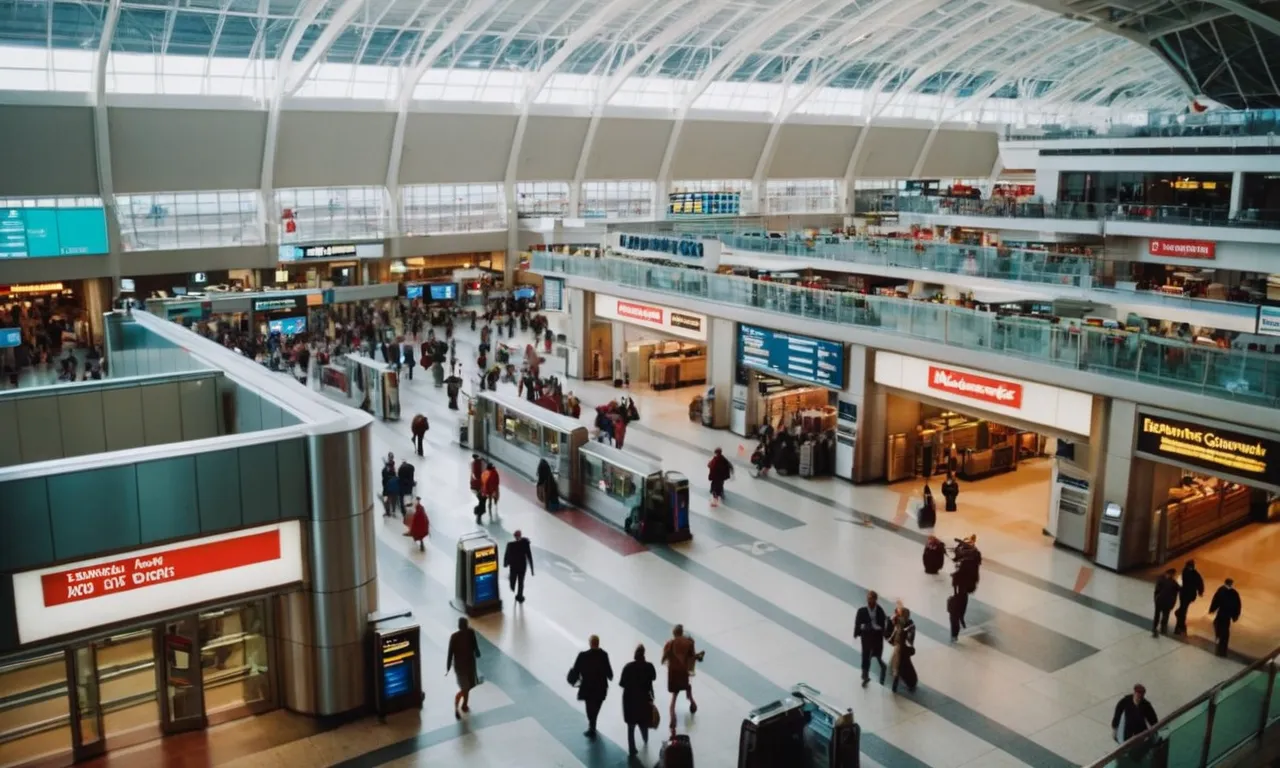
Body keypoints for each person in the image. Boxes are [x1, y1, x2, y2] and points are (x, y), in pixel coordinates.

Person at [568, 635, 613, 738]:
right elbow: (609, 673)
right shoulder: (604, 655)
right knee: (596, 707)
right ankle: (593, 724)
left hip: (587, 688)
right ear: (598, 643)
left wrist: (572, 680)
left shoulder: (583, 656)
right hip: (601, 688)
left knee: (589, 708)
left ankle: (592, 726)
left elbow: (576, 670)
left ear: (590, 643)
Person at [661, 624, 703, 726]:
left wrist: (664, 660)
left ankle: (673, 718)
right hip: (683, 672)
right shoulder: (689, 643)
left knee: (674, 696)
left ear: (674, 633)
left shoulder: (670, 644)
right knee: (687, 686)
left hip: (673, 673)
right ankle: (692, 703)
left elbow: (664, 658)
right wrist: (699, 656)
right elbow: (692, 657)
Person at [620, 644, 657, 756]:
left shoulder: (628, 667)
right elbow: (654, 677)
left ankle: (632, 748)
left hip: (630, 700)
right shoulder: (649, 666)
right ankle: (645, 739)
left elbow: (622, 683)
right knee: (644, 722)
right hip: (644, 699)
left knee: (631, 726)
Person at [446, 617, 481, 719]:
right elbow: (451, 653)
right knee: (465, 687)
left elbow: (450, 653)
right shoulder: (463, 635)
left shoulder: (459, 636)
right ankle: (459, 706)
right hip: (464, 666)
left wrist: (448, 666)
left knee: (469, 686)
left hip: (466, 665)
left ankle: (464, 704)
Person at [853, 591, 888, 687]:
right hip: (866, 635)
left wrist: (882, 631)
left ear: (875, 600)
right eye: (868, 598)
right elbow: (857, 623)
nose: (869, 601)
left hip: (876, 635)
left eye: (871, 599)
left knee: (877, 653)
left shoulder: (880, 611)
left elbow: (883, 623)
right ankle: (865, 674)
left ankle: (881, 665)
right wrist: (857, 632)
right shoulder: (862, 611)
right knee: (865, 655)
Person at [1208, 578, 1242, 657]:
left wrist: (1212, 609)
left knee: (1219, 626)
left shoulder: (1221, 590)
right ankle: (1222, 648)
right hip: (1227, 615)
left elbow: (1216, 600)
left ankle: (1219, 641)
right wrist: (1235, 616)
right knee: (1225, 630)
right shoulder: (1234, 593)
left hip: (1222, 613)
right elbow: (1237, 605)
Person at [1174, 560, 1205, 635]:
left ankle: (1180, 624)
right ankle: (1180, 626)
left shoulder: (1186, 572)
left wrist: (1200, 591)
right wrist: (1200, 591)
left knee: (1183, 609)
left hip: (1185, 594)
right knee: (1183, 610)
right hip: (1187, 594)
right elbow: (1200, 582)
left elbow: (1199, 583)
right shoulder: (1193, 573)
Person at [503, 529, 534, 603]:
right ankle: (519, 596)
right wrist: (532, 569)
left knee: (514, 580)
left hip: (514, 566)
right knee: (521, 581)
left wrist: (506, 563)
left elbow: (507, 555)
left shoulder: (511, 545)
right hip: (522, 566)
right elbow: (529, 556)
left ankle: (516, 592)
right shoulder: (525, 543)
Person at [1152, 568, 1179, 637]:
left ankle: (1155, 627)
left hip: (1159, 601)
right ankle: (1163, 629)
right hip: (1167, 602)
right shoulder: (1173, 583)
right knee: (1165, 615)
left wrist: (1156, 598)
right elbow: (1178, 590)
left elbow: (1156, 591)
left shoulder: (1160, 580)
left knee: (1157, 615)